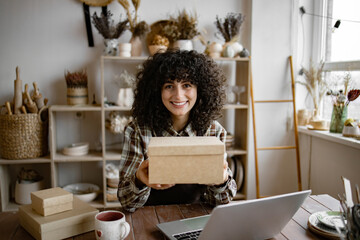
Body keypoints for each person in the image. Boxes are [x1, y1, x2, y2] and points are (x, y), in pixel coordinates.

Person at [117, 49, 237, 212]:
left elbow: (221, 201)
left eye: (186, 85)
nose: (178, 95)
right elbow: (127, 202)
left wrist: (221, 181)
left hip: (195, 217)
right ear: (156, 91)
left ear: (199, 89)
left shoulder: (213, 131)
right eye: (169, 86)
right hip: (149, 218)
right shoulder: (137, 130)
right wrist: (139, 180)